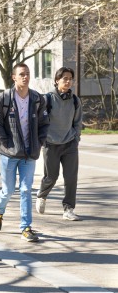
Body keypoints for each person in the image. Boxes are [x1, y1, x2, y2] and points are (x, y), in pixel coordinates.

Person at [0, 63, 49, 242]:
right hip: (8, 153)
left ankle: (26, 227)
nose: (25, 77)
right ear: (14, 77)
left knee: (25, 190)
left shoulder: (37, 99)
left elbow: (44, 123)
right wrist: (6, 143)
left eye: (28, 74)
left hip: (29, 153)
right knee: (8, 190)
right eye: (22, 74)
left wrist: (38, 142)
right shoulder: (3, 99)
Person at [36, 67, 83, 221]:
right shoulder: (48, 99)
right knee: (51, 176)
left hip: (69, 143)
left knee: (71, 177)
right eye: (65, 78)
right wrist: (42, 139)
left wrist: (76, 138)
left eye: (70, 78)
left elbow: (77, 122)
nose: (68, 81)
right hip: (51, 144)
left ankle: (68, 208)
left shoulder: (75, 100)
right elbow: (40, 121)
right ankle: (42, 195)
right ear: (57, 81)